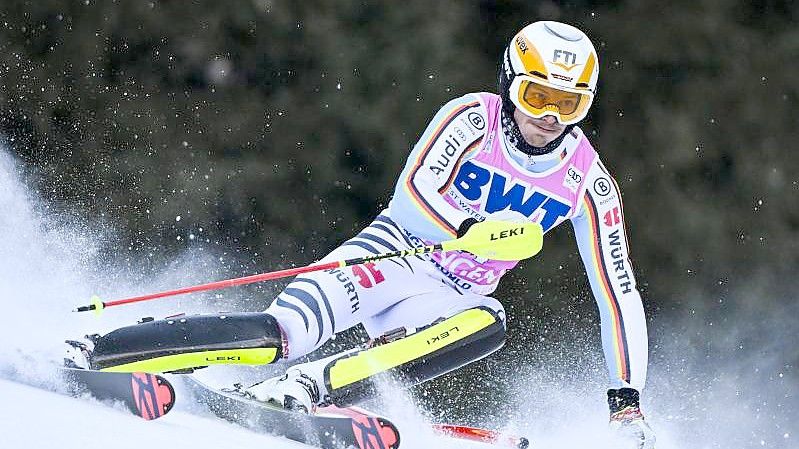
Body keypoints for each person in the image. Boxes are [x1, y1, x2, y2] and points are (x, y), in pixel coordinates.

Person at [71, 20, 654, 449]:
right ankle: (106, 349)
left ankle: (311, 386)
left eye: (569, 103)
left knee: (489, 319)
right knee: (278, 334)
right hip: (389, 256)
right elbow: (416, 190)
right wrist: (473, 229)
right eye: (538, 97)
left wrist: (625, 402)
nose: (550, 117)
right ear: (509, 84)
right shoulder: (471, 120)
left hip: (443, 300)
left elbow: (617, 291)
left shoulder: (589, 182)